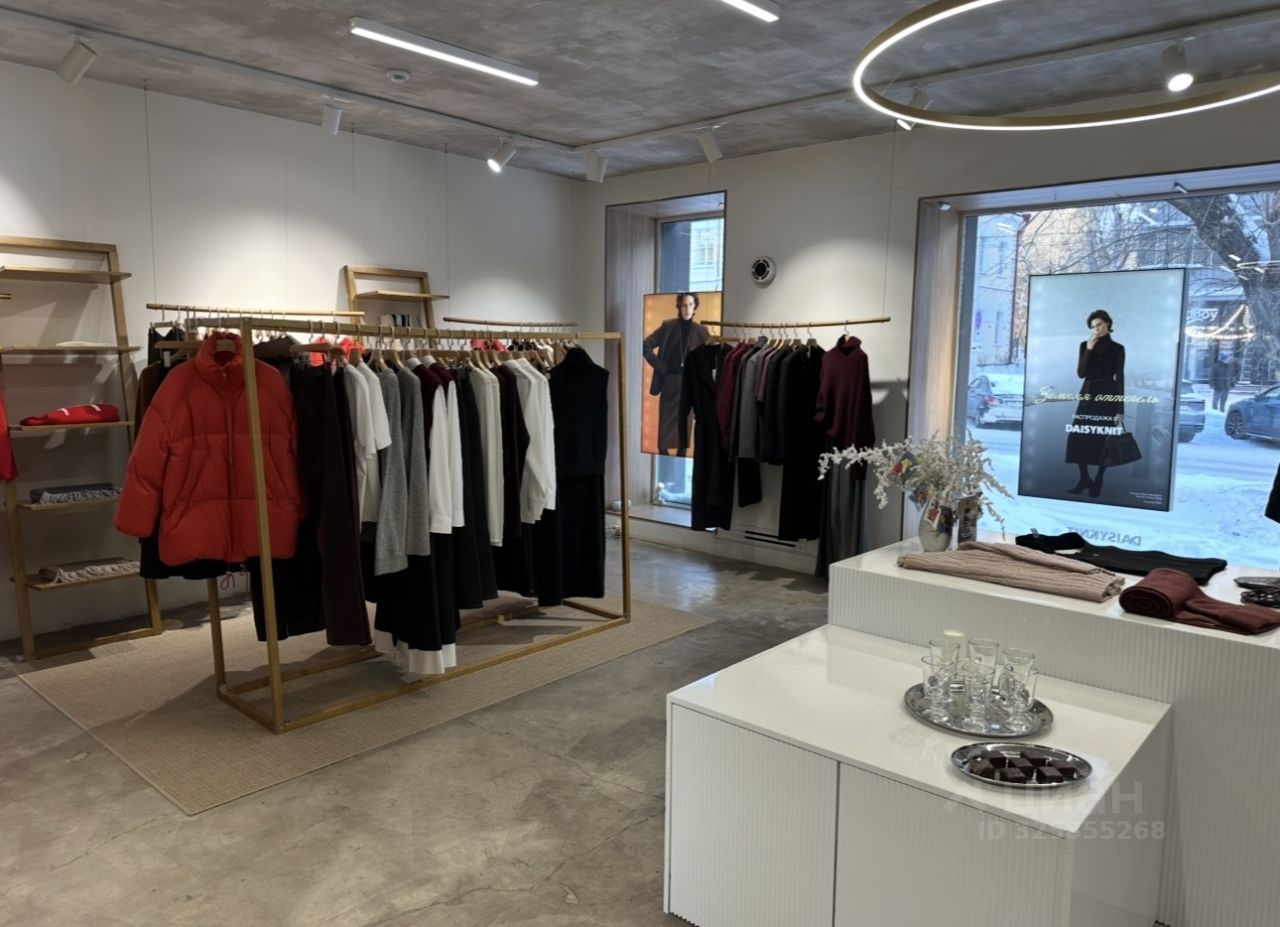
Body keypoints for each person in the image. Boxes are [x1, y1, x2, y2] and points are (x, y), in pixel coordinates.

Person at [1064, 309, 1125, 499]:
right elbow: (1081, 373)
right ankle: (1084, 478)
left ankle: (1098, 479)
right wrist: (1089, 350)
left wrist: (1120, 408)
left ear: (1108, 324)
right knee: (1078, 436)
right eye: (1093, 327)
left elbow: (1120, 378)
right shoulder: (1085, 345)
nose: (1096, 329)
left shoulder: (1118, 349)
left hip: (1107, 394)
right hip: (1087, 394)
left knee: (1103, 440)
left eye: (1099, 325)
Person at [642, 292, 709, 455]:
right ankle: (663, 454)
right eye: (684, 305)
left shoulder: (701, 331)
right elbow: (645, 345)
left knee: (685, 424)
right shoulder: (668, 326)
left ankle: (681, 453)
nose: (687, 309)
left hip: (690, 384)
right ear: (679, 307)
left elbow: (709, 358)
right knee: (666, 423)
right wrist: (661, 367)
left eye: (691, 305)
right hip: (670, 381)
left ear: (695, 307)